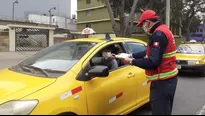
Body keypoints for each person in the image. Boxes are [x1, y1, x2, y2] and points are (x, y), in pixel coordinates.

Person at [122, 10, 178, 115]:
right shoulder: (164, 29)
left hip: (162, 82)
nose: (143, 27)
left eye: (143, 24)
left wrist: (131, 61)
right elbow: (149, 51)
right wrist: (131, 55)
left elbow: (153, 62)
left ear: (148, 22)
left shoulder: (158, 34)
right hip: (168, 80)